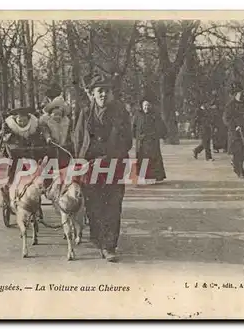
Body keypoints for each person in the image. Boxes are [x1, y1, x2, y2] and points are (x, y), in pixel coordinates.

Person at [72, 73, 133, 262]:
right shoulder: (85, 112)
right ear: (92, 94)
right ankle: (98, 238)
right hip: (90, 167)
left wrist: (107, 158)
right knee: (93, 205)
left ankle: (109, 246)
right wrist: (80, 160)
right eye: (100, 91)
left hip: (113, 165)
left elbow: (126, 141)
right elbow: (78, 137)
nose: (103, 95)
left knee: (112, 206)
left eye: (107, 91)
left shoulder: (120, 112)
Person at [223, 82, 244, 178]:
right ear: (235, 94)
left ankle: (235, 163)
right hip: (235, 132)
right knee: (238, 152)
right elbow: (226, 118)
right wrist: (235, 126)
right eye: (238, 92)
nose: (240, 93)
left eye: (240, 91)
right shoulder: (230, 105)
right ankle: (240, 172)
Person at [132, 100, 167, 183]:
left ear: (151, 106)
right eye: (144, 105)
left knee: (153, 159)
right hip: (141, 142)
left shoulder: (155, 115)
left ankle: (155, 177)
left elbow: (161, 127)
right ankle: (143, 176)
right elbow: (133, 127)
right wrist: (136, 137)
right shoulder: (138, 115)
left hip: (152, 141)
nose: (146, 107)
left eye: (148, 105)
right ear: (141, 106)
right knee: (142, 159)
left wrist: (159, 135)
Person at [39, 90, 73, 169]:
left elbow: (70, 132)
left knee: (64, 163)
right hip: (51, 146)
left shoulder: (66, 122)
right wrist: (48, 137)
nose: (57, 117)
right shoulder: (46, 121)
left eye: (59, 115)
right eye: (55, 115)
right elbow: (45, 130)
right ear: (50, 115)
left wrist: (70, 139)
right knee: (50, 162)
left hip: (63, 146)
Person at [193, 94, 216, 161]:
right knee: (206, 143)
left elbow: (211, 119)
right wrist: (194, 130)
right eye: (206, 103)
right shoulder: (198, 111)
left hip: (208, 128)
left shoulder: (207, 110)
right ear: (203, 104)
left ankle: (196, 150)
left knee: (206, 143)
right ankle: (208, 157)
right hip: (202, 128)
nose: (208, 104)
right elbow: (196, 121)